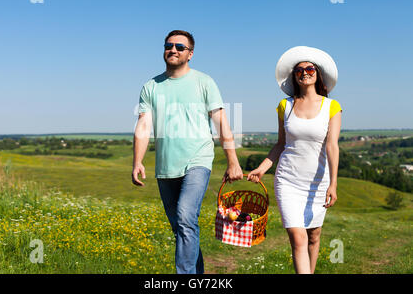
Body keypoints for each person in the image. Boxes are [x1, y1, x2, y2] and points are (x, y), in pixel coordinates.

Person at [132, 30, 243, 274]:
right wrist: (137, 161)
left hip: (198, 160)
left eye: (180, 47)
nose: (173, 49)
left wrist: (232, 161)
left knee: (184, 217)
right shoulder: (151, 86)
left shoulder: (204, 82)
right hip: (165, 165)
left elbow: (221, 121)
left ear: (190, 54)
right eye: (169, 45)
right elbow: (143, 126)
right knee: (182, 227)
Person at [248, 46, 342, 274]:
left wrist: (333, 183)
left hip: (318, 182)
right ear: (294, 76)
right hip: (288, 180)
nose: (305, 72)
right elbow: (281, 144)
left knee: (313, 236)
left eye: (310, 68)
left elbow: (332, 145)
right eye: (299, 70)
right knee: (298, 238)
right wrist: (262, 168)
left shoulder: (332, 106)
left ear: (318, 74)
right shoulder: (285, 106)